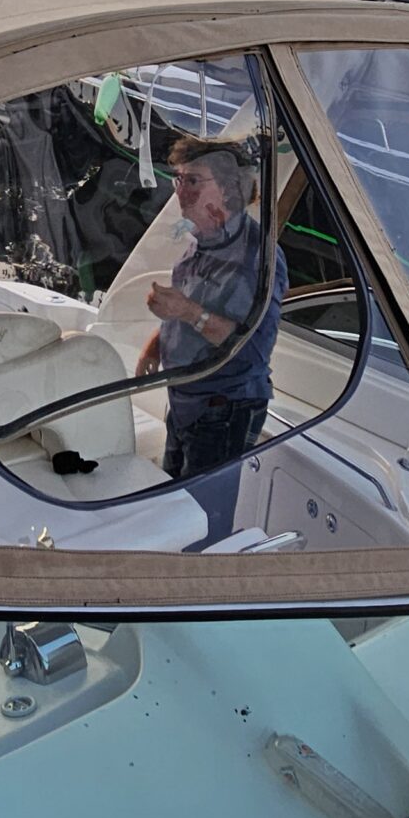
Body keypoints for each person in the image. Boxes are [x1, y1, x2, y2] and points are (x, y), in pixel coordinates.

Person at [134, 135, 285, 544]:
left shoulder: (258, 257)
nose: (180, 191)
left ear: (229, 189)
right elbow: (193, 309)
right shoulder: (203, 239)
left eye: (193, 180)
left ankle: (197, 574)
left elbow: (250, 346)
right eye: (178, 179)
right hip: (186, 399)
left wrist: (185, 310)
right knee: (172, 505)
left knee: (202, 519)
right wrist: (155, 346)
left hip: (224, 407)